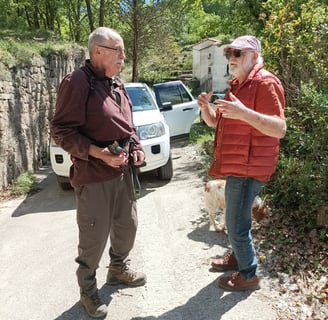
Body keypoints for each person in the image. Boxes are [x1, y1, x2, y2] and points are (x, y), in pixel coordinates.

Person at [50, 27, 146, 318]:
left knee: (127, 226)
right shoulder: (77, 82)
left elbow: (127, 125)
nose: (124, 56)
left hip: (122, 173)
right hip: (93, 176)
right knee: (93, 238)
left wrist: (137, 145)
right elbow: (61, 131)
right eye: (118, 50)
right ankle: (88, 290)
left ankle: (117, 268)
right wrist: (97, 152)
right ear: (98, 52)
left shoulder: (116, 83)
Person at [197, 35, 286, 291]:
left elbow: (279, 129)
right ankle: (238, 257)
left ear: (254, 56)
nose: (231, 59)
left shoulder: (265, 82)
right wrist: (205, 108)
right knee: (236, 219)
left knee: (236, 223)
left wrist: (245, 113)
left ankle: (249, 275)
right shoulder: (237, 85)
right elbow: (216, 122)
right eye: (228, 54)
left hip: (250, 167)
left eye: (237, 53)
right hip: (237, 165)